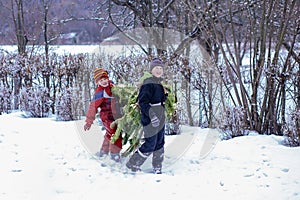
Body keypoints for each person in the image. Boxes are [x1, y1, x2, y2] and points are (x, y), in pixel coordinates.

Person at [126, 58, 167, 174]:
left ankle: (157, 166)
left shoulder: (160, 83)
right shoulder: (148, 83)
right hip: (150, 118)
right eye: (156, 68)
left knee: (160, 143)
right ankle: (133, 163)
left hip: (160, 117)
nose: (158, 70)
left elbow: (159, 99)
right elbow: (143, 102)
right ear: (151, 70)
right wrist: (152, 116)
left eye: (160, 68)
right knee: (151, 143)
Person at [84, 68, 122, 162]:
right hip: (107, 116)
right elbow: (93, 107)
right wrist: (89, 122)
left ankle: (103, 151)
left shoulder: (112, 86)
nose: (104, 81)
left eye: (105, 79)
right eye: (101, 80)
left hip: (116, 115)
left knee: (110, 134)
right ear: (98, 82)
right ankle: (114, 154)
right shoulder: (100, 93)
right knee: (115, 134)